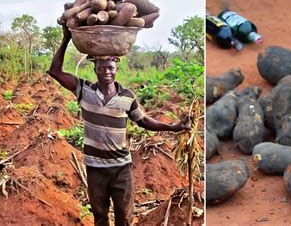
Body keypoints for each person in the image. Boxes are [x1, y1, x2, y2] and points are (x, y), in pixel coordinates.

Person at [48, 26, 189, 226]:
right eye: (102, 67)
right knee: (100, 217)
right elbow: (55, 71)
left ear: (117, 69)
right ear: (95, 69)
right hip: (95, 167)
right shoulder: (84, 90)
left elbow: (144, 121)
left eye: (110, 68)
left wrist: (173, 127)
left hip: (121, 168)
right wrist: (65, 39)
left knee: (124, 217)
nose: (106, 71)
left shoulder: (126, 97)